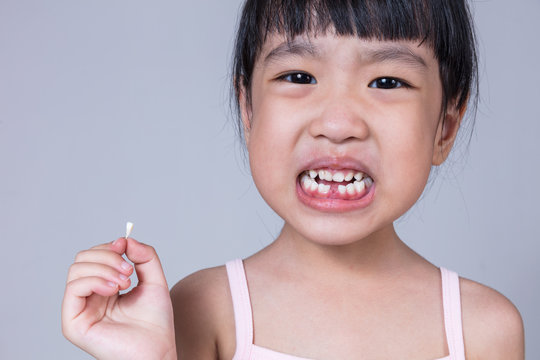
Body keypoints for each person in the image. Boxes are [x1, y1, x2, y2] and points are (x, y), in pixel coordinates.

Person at [61, 0, 525, 359]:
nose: (339, 122)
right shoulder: (206, 308)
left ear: (445, 125)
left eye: (387, 82)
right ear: (248, 110)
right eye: (299, 75)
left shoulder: (482, 328)